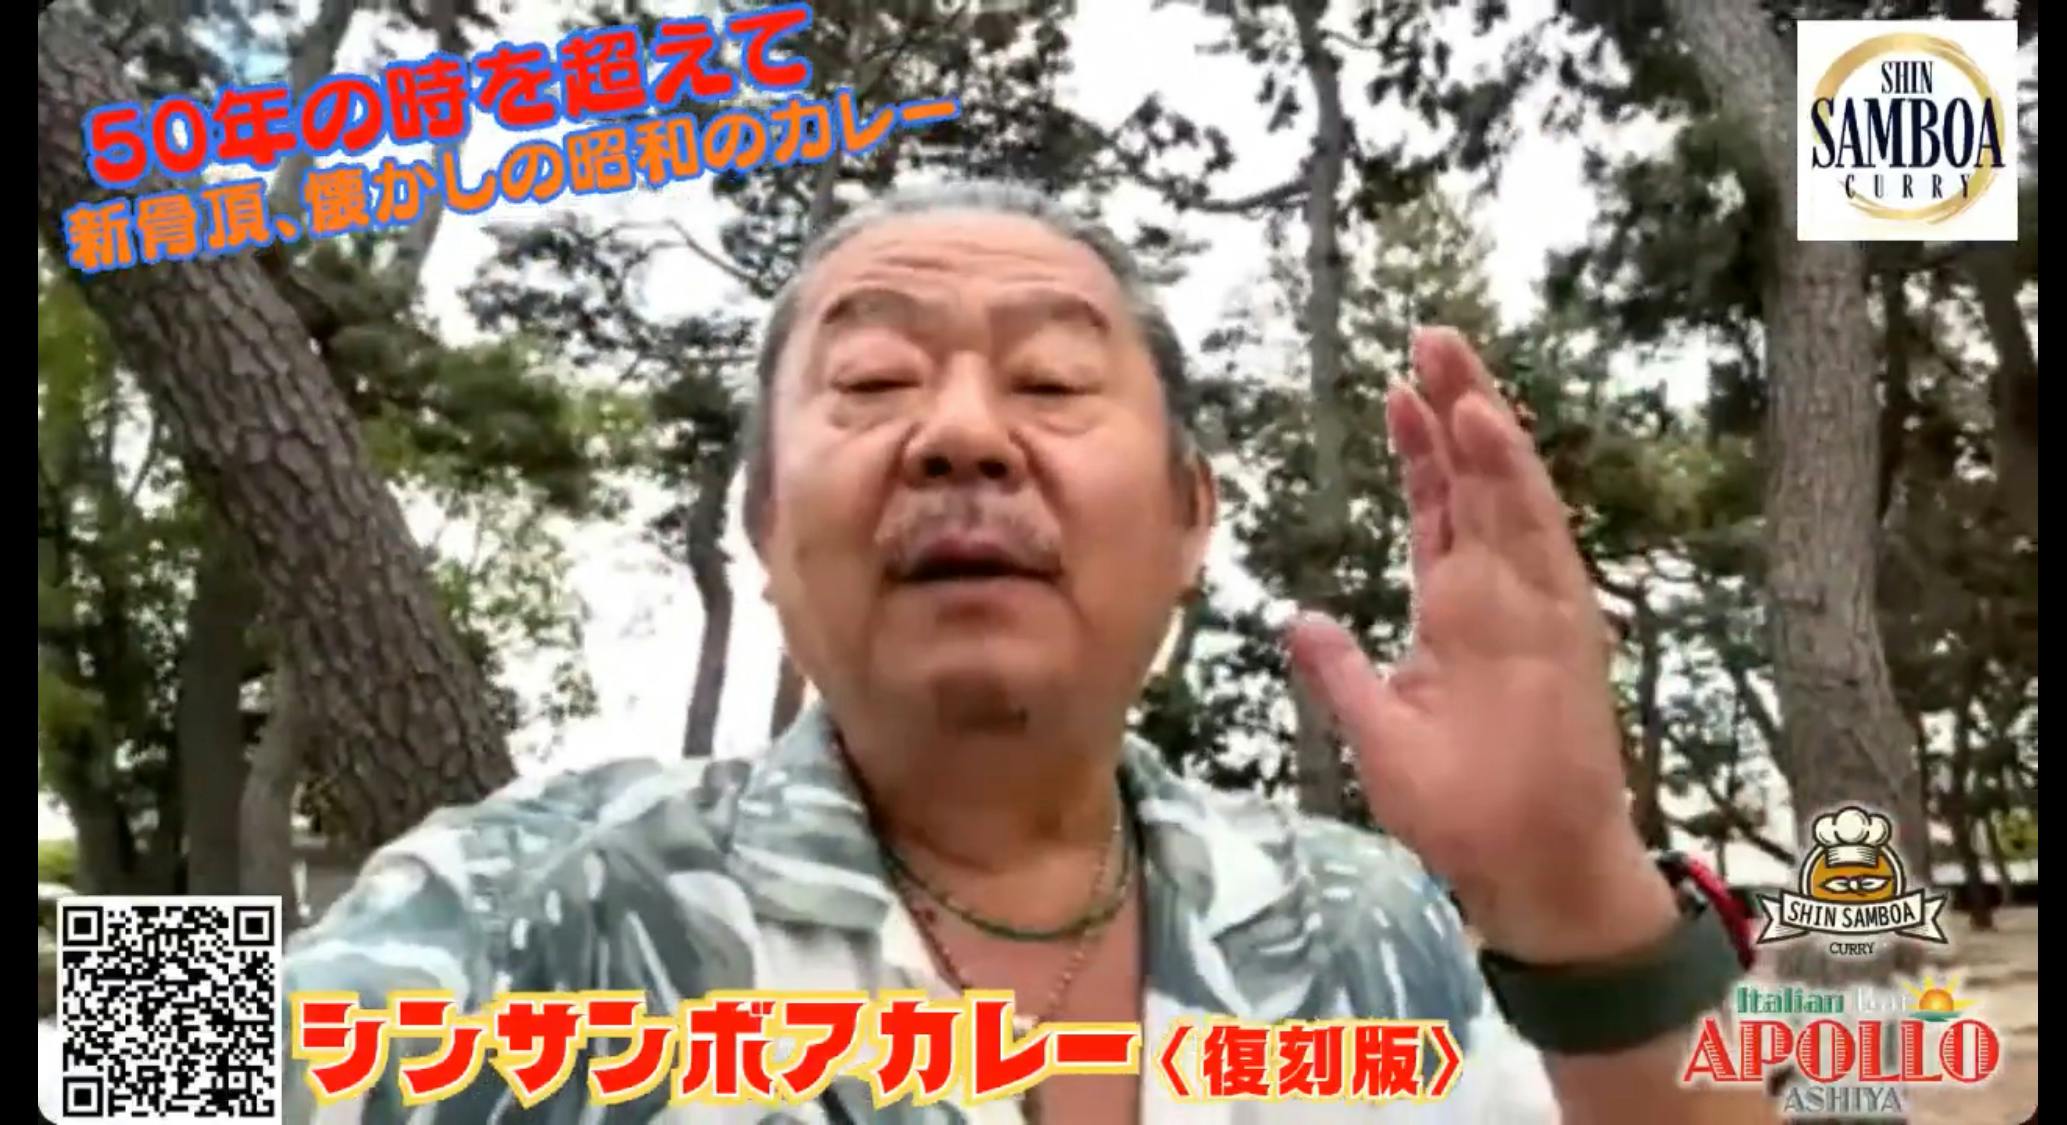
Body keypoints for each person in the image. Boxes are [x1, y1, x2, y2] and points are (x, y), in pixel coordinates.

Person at [281, 181, 1776, 1124]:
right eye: (873, 379)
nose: (961, 435)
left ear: (1190, 518)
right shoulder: (524, 900)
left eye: (1054, 380)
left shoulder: (1363, 932)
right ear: (764, 524)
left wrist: (1577, 897)